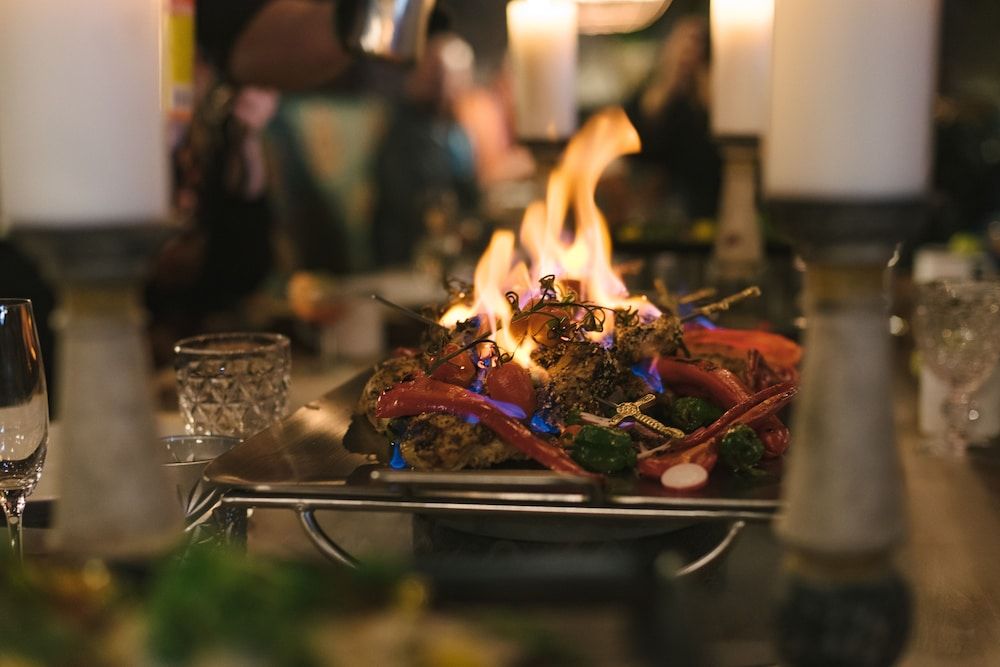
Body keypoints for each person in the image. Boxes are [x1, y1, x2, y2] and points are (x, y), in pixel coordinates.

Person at [370, 31, 480, 268]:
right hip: (407, 255)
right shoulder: (403, 132)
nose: (448, 85)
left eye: (457, 76)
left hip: (450, 247)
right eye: (437, 74)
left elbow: (469, 192)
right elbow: (408, 207)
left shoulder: (454, 129)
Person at [625, 15, 721, 223]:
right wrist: (668, 80)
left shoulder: (723, 102)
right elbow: (635, 145)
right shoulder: (671, 101)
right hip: (675, 220)